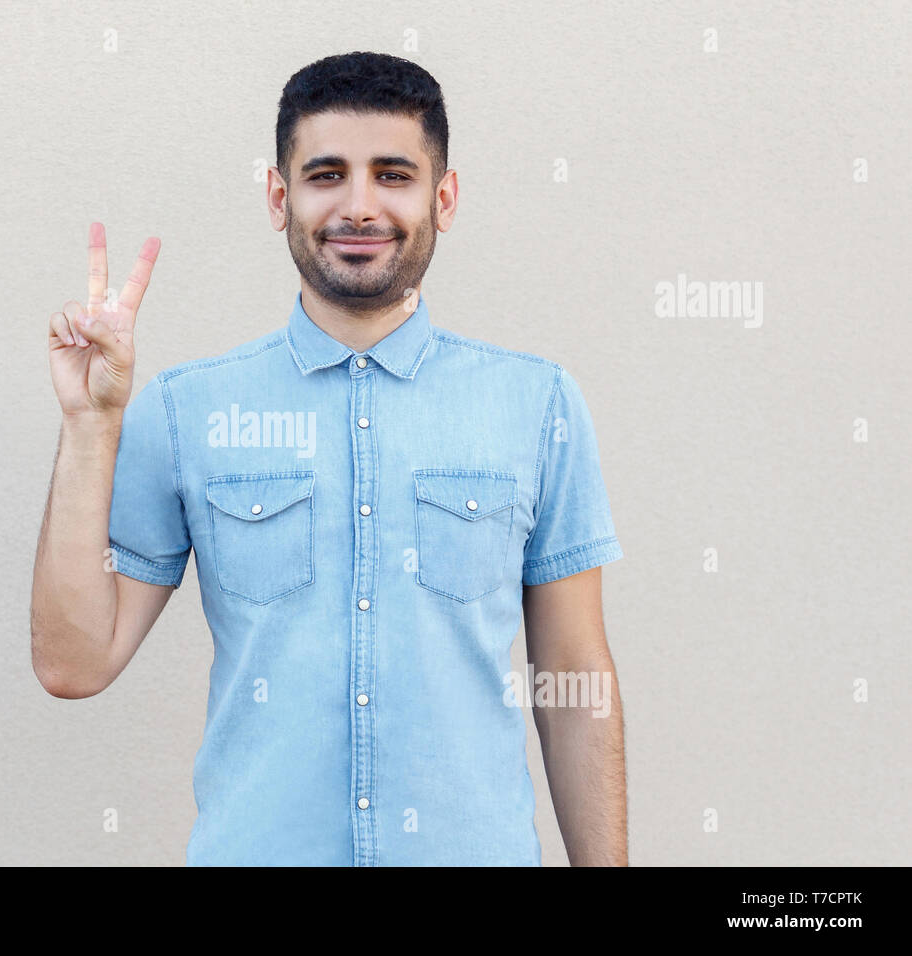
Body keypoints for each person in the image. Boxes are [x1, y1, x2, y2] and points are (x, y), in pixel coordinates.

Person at [31, 51, 626, 866]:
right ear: (280, 198)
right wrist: (90, 424)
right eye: (325, 175)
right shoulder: (185, 411)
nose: (358, 206)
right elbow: (73, 662)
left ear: (442, 198)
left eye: (392, 175)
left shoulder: (538, 405)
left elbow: (574, 681)